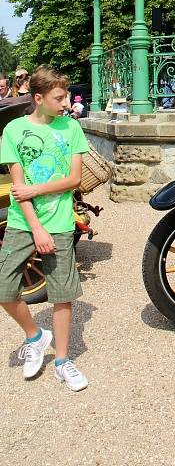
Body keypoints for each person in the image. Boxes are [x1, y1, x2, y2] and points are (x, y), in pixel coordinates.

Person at [0, 65, 90, 391]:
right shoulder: (13, 131)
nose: (66, 103)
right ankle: (35, 336)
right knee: (4, 288)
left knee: (62, 295)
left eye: (65, 96)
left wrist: (37, 192)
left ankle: (63, 361)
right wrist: (36, 228)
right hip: (23, 223)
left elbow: (74, 180)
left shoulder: (71, 129)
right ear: (38, 98)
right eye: (59, 97)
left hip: (62, 223)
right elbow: (17, 187)